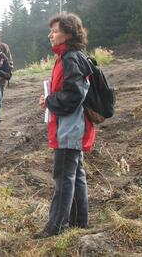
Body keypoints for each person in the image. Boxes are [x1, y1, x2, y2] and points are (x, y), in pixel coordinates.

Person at [34, 12, 96, 239]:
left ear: (68, 33)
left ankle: (56, 227)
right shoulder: (70, 56)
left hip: (71, 127)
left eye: (55, 30)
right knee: (75, 174)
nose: (50, 35)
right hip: (72, 126)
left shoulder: (70, 58)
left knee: (63, 176)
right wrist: (50, 99)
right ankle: (80, 222)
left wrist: (50, 100)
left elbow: (73, 95)